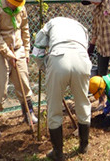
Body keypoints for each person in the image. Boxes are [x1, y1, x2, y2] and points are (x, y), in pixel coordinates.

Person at [32, 17, 92, 160]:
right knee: (83, 102)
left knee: (54, 107)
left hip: (59, 59)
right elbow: (85, 46)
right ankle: (84, 146)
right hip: (82, 59)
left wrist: (45, 67)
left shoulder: (50, 24)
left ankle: (58, 153)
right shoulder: (80, 26)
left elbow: (37, 51)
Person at [0, 0, 37, 138]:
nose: (16, 7)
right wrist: (8, 53)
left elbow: (25, 30)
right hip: (0, 53)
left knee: (24, 82)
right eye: (13, 4)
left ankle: (29, 114)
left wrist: (26, 50)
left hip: (19, 50)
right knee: (0, 86)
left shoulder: (21, 9)